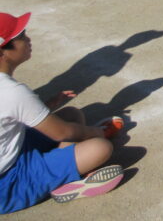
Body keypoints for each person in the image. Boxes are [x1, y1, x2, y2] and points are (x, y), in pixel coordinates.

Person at [0, 11, 124, 213]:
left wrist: (45, 107)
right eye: (20, 36)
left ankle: (62, 164)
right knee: (100, 147)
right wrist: (97, 133)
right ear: (3, 53)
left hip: (12, 153)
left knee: (72, 115)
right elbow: (63, 133)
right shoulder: (11, 92)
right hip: (7, 184)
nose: (28, 39)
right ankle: (66, 183)